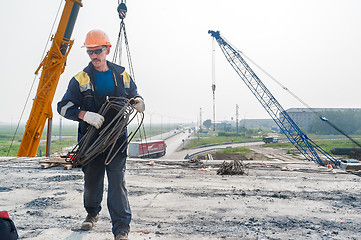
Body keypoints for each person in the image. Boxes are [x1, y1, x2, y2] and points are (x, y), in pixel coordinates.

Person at [57, 29, 144, 240]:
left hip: (116, 140)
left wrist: (139, 101)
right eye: (90, 52)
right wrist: (84, 114)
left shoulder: (121, 74)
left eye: (98, 51)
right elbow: (62, 107)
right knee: (92, 180)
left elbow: (134, 94)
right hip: (91, 140)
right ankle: (91, 214)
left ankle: (121, 229)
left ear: (107, 49)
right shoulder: (80, 78)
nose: (94, 56)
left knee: (117, 182)